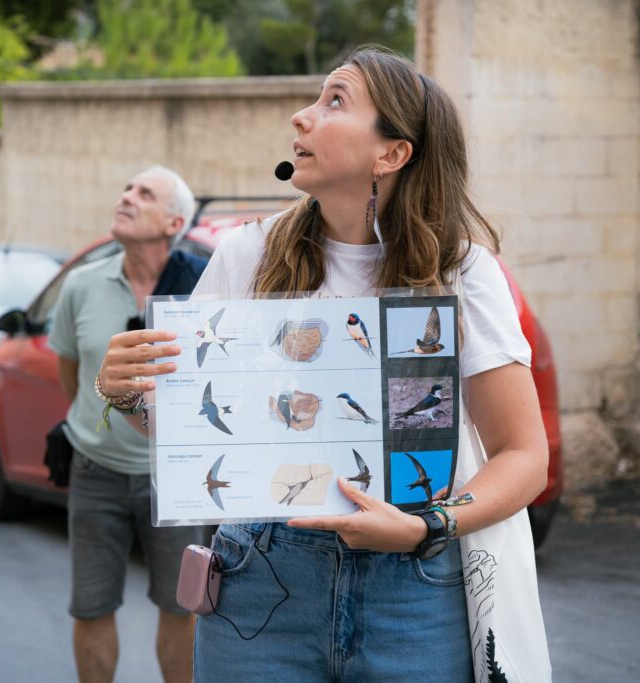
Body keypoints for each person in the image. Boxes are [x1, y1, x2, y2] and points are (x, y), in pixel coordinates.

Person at [95, 47, 549, 680]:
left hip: (413, 590)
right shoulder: (246, 253)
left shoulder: (463, 272)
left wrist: (426, 528)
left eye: (335, 101)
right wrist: (124, 392)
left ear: (392, 153)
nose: (301, 116)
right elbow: (190, 434)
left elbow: (523, 455)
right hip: (260, 576)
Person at [48, 166, 208, 683]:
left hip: (176, 476)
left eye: (144, 193)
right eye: (126, 189)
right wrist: (99, 424)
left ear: (173, 223)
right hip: (95, 470)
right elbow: (71, 373)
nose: (126, 197)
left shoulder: (203, 288)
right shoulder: (81, 285)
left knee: (181, 605)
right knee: (91, 606)